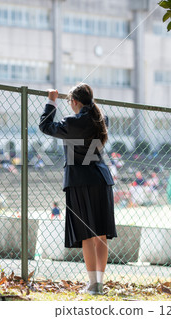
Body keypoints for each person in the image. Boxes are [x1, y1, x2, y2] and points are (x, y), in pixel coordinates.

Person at [39, 83, 117, 295]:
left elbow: (45, 126)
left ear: (74, 102)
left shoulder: (73, 122)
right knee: (101, 235)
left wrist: (51, 101)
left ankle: (92, 285)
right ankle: (98, 283)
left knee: (87, 235)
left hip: (81, 181)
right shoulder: (102, 119)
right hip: (102, 179)